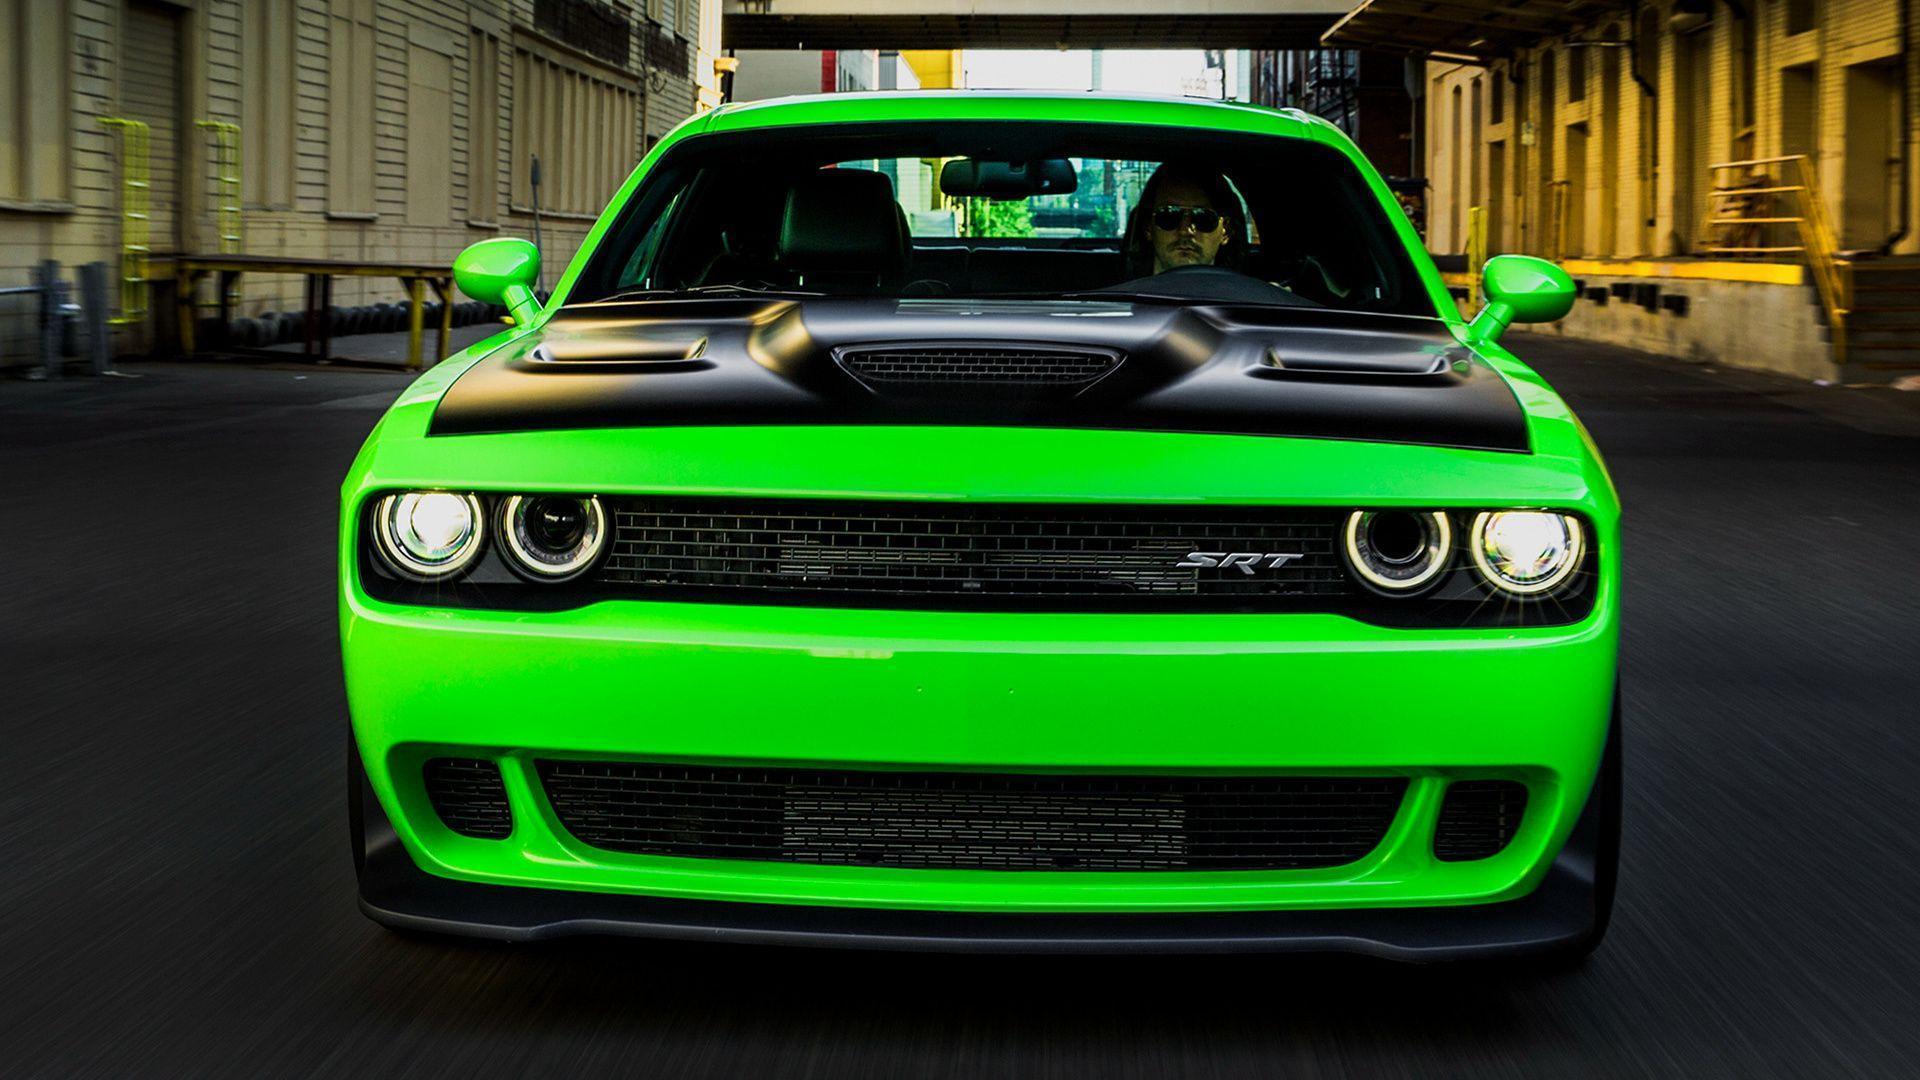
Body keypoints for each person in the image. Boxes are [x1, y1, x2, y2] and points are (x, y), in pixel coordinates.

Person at [1127, 164, 1245, 276]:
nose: (1185, 231)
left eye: (1203, 218)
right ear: (1148, 227)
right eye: (1169, 216)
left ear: (1226, 231)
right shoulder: (1119, 295)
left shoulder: (1246, 296)